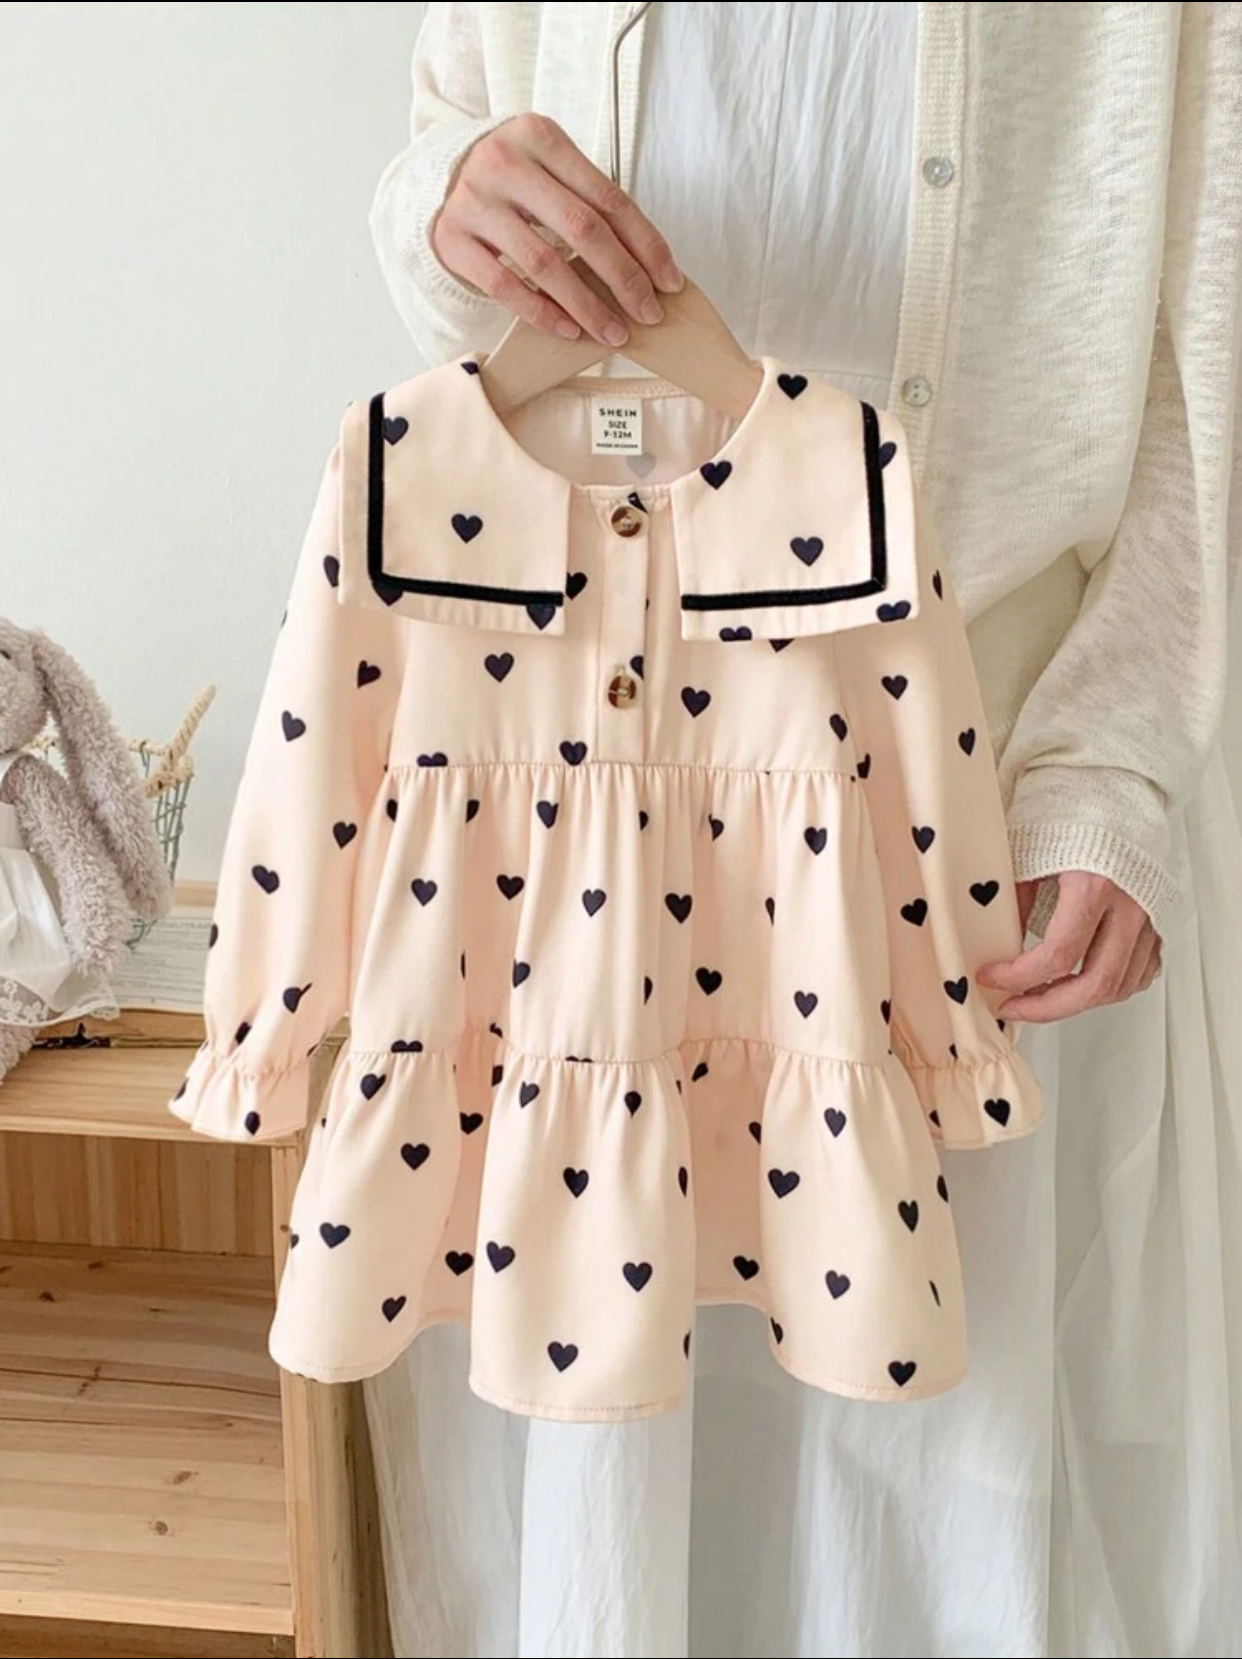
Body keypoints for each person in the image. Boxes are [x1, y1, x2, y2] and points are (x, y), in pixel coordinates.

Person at [362, 4, 1242, 1655]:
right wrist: (447, 202)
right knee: (614, 1416)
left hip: (975, 809)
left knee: (942, 1453)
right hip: (589, 798)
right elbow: (447, 161)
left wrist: (1115, 765)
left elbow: (1213, 357)